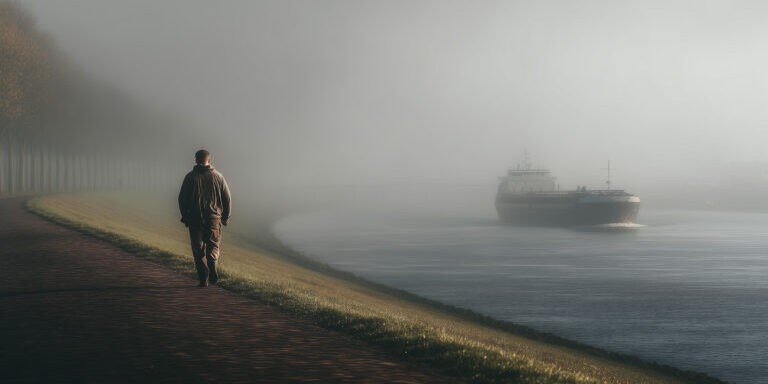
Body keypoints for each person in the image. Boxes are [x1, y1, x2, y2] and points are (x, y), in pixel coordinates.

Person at [178, 149, 231, 287]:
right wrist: (225, 217)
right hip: (214, 218)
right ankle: (212, 263)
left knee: (198, 249)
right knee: (213, 246)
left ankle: (203, 279)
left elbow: (181, 199)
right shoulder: (219, 177)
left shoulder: (190, 177)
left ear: (196, 160)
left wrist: (185, 217)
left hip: (195, 219)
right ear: (209, 160)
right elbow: (227, 198)